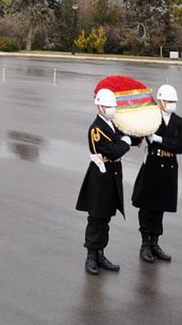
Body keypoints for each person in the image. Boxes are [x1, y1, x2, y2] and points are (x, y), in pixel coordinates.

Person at [75, 87, 132, 275]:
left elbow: (120, 142)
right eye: (108, 106)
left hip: (112, 174)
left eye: (113, 106)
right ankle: (91, 255)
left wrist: (132, 135)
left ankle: (100, 253)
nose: (112, 109)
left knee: (106, 216)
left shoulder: (112, 124)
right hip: (100, 176)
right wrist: (125, 143)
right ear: (99, 107)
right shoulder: (96, 129)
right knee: (96, 217)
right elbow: (112, 150)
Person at [131, 84, 182, 263]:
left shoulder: (180, 122)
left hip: (169, 166)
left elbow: (181, 146)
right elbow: (136, 135)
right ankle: (145, 243)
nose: (172, 104)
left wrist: (159, 139)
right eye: (169, 101)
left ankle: (155, 242)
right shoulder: (151, 117)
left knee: (160, 207)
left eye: (174, 101)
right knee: (147, 206)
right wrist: (142, 135)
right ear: (161, 101)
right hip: (153, 165)